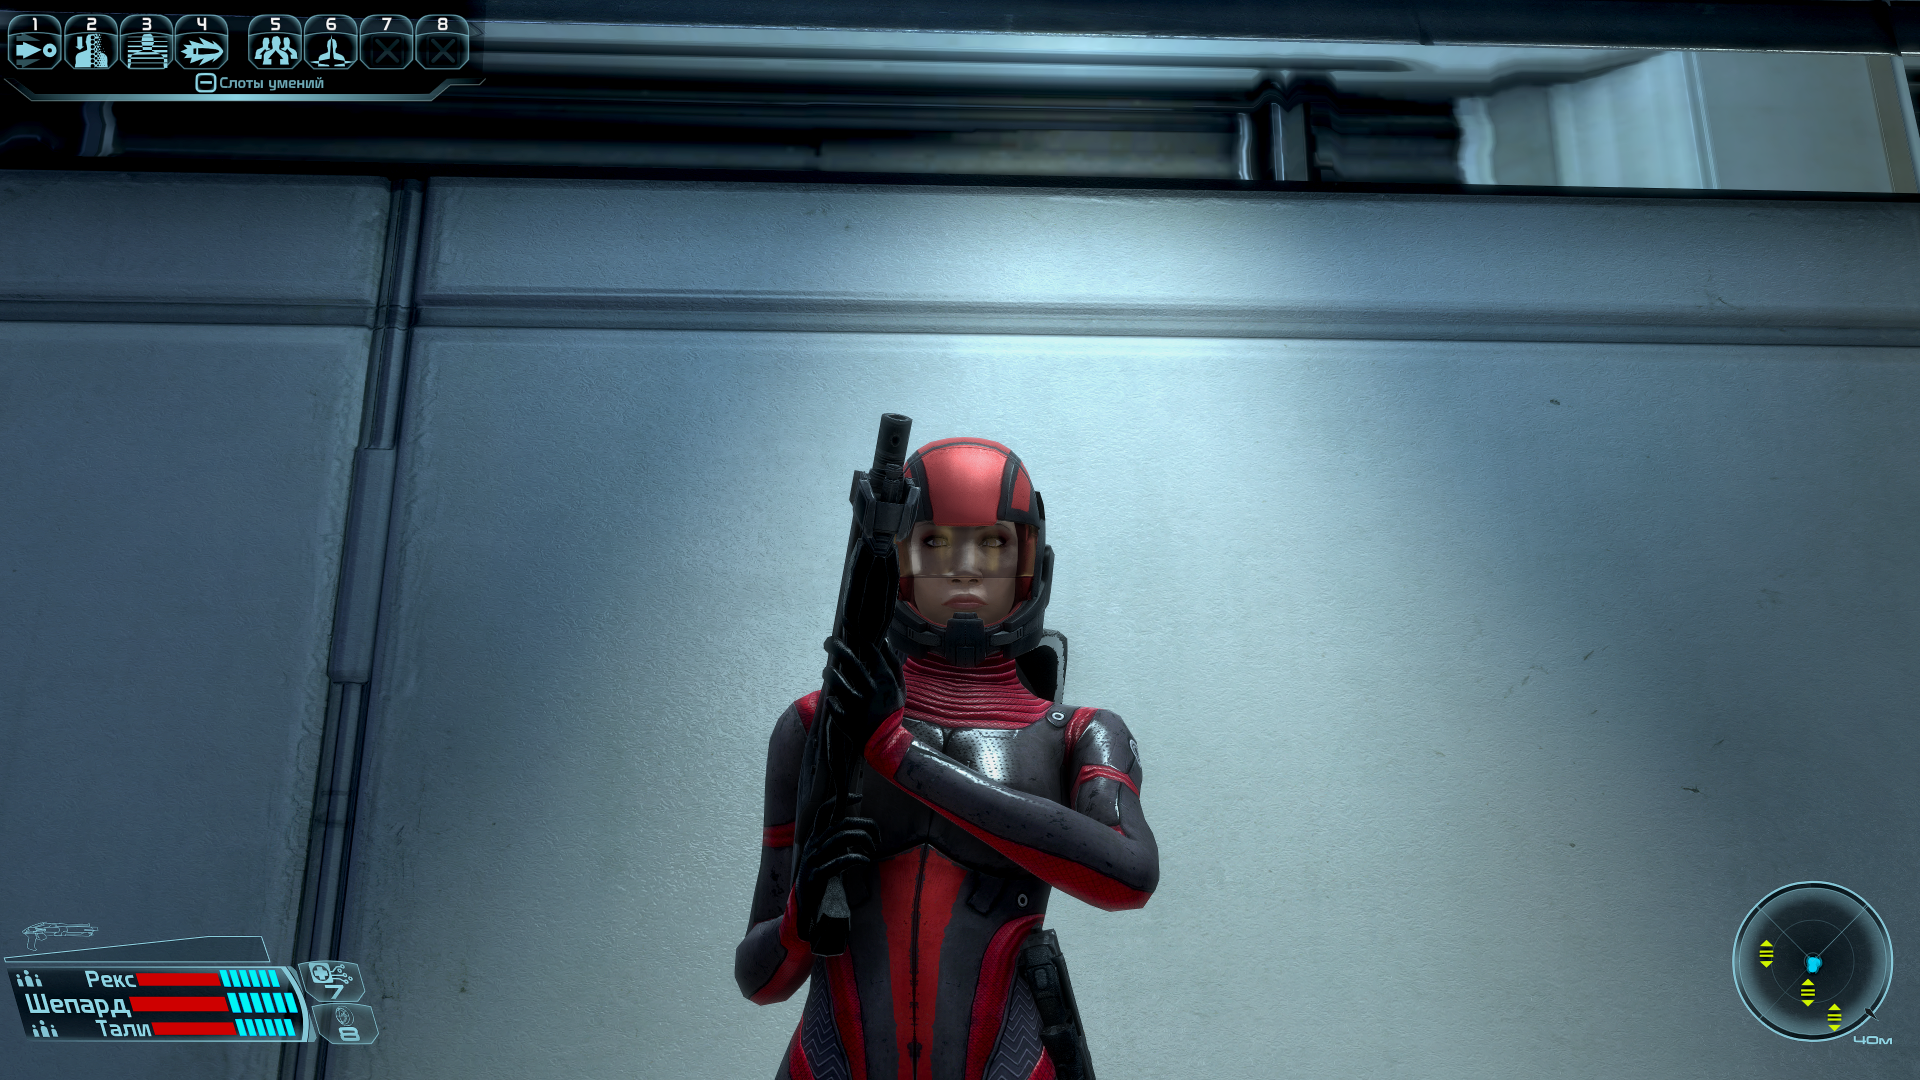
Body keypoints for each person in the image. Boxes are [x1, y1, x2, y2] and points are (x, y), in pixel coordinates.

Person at [736, 437, 1159, 1080]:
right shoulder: (814, 726)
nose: (964, 568)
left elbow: (1131, 876)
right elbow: (760, 979)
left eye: (992, 543)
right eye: (935, 542)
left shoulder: (1078, 734)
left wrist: (895, 751)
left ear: (1030, 564)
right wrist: (800, 916)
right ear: (899, 560)